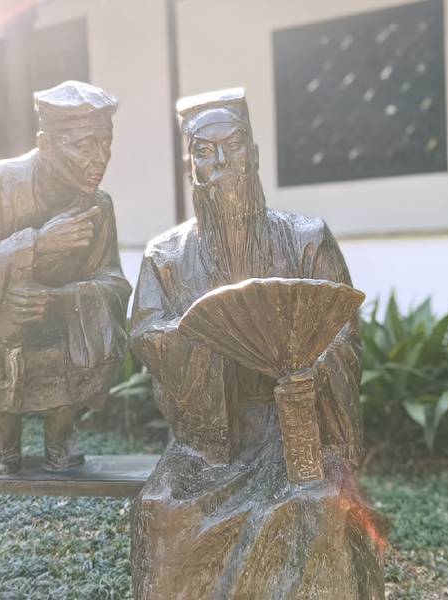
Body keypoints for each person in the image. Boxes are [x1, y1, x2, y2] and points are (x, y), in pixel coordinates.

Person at [130, 88, 384, 599]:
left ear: (256, 154)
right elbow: (146, 333)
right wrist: (204, 336)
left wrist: (309, 371)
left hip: (293, 425)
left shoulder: (306, 238)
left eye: (234, 146)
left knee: (317, 505)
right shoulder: (166, 255)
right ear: (190, 167)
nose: (222, 163)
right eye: (205, 152)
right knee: (164, 510)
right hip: (212, 438)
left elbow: (343, 332)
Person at [0, 80, 132, 475]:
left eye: (105, 144)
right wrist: (36, 245)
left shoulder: (97, 205)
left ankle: (60, 433)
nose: (100, 159)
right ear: (45, 144)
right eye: (84, 146)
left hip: (59, 318)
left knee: (103, 328)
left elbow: (113, 281)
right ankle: (4, 435)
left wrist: (63, 300)